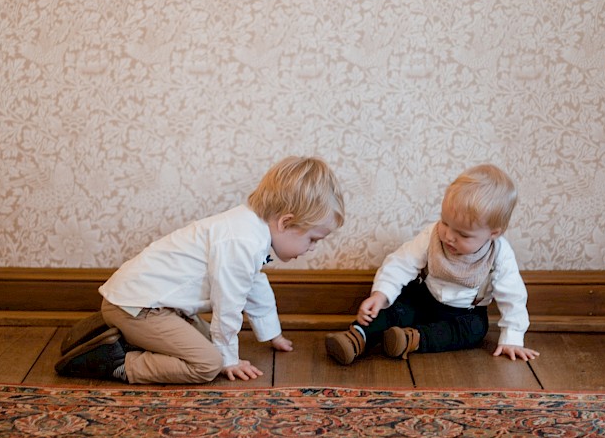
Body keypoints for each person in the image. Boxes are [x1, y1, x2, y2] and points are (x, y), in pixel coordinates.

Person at [56, 156, 345, 384]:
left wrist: (272, 334)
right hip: (138, 307)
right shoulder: (241, 241)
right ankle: (116, 362)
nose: (311, 248)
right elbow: (229, 306)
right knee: (208, 364)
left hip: (152, 306)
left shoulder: (250, 231)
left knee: (210, 343)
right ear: (285, 222)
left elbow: (255, 285)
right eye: (312, 239)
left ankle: (121, 335)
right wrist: (228, 359)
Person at [325, 163, 539, 365]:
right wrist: (380, 294)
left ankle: (411, 340)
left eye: (463, 234)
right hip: (424, 299)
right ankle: (358, 337)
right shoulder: (433, 236)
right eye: (445, 223)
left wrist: (513, 337)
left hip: (465, 312)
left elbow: (513, 296)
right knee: (397, 307)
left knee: (474, 330)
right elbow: (402, 263)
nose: (448, 236)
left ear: (493, 233)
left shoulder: (499, 254)